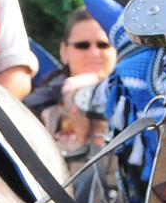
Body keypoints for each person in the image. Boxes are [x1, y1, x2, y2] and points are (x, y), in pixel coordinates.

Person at [27, 8, 119, 156]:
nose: (94, 53)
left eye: (103, 44)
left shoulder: (135, 104)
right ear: (64, 51)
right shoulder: (35, 108)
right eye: (82, 45)